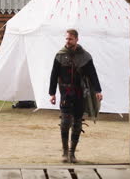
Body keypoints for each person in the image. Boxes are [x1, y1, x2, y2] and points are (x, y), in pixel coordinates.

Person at [49, 29, 103, 163]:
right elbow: (54, 75)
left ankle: (72, 153)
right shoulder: (60, 56)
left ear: (77, 40)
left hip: (80, 94)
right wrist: (52, 93)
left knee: (77, 124)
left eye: (70, 39)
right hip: (66, 94)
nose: (67, 41)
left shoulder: (85, 57)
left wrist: (98, 90)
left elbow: (92, 74)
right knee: (65, 122)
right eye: (66, 39)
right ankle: (64, 151)